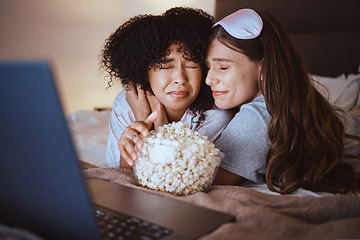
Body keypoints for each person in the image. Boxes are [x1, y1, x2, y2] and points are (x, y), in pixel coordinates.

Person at [206, 9, 360, 194]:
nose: (209, 79)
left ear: (263, 67)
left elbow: (197, 178)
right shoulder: (285, 99)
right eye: (208, 67)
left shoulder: (254, 118)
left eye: (223, 67)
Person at [100, 7, 234, 168]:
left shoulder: (216, 115)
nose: (180, 79)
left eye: (192, 65)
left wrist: (156, 121)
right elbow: (121, 176)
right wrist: (140, 120)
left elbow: (174, 174)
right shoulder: (126, 103)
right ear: (144, 70)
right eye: (166, 66)